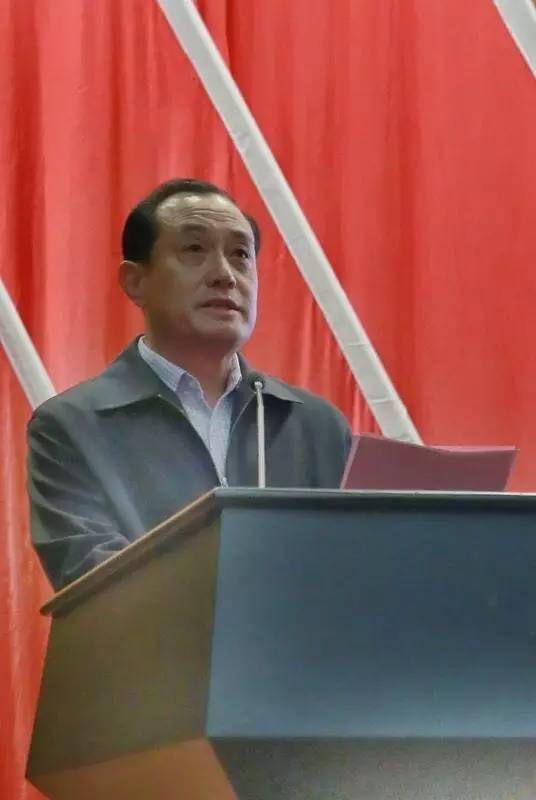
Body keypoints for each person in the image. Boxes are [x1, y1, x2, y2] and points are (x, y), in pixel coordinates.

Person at [27, 178, 352, 590]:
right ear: (135, 282)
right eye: (195, 250)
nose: (224, 275)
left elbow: (351, 571)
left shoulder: (317, 426)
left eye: (240, 254)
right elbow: (96, 580)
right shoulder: (72, 426)